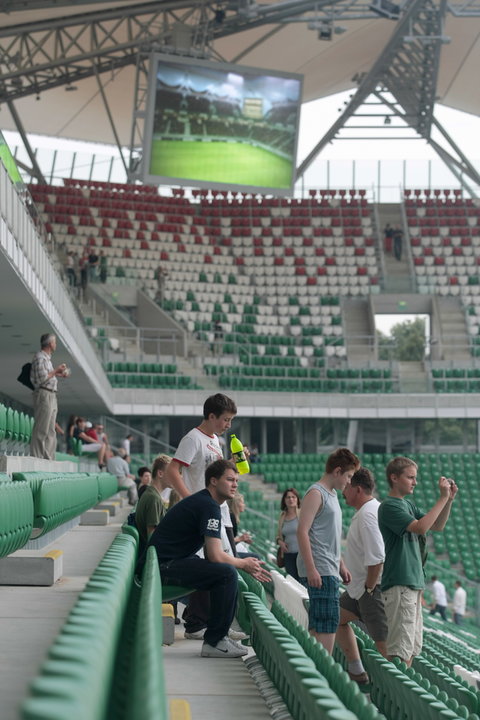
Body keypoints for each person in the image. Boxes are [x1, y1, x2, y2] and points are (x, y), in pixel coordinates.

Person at [146, 459, 270, 658]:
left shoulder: (206, 503)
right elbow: (215, 555)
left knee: (219, 570)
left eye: (236, 480)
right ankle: (215, 641)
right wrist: (243, 564)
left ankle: (217, 634)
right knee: (226, 573)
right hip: (161, 568)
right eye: (229, 479)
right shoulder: (208, 505)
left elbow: (214, 554)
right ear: (213, 481)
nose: (235, 484)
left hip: (163, 564)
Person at [165, 393, 238, 638]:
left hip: (220, 510)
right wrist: (190, 501)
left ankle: (218, 625)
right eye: (225, 420)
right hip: (204, 512)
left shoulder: (215, 440)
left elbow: (210, 471)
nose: (228, 425)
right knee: (213, 564)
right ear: (211, 416)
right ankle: (196, 623)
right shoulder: (192, 438)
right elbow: (173, 470)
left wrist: (231, 463)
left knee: (224, 565)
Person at [378, 456, 457, 666]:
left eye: (415, 477)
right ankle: (394, 695)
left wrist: (448, 500)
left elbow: (437, 526)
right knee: (400, 652)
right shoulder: (389, 506)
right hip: (400, 582)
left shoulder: (407, 505)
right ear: (394, 478)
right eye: (410, 477)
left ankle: (398, 693)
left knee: (410, 648)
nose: (415, 482)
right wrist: (441, 498)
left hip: (411, 582)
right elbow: (421, 528)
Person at [296, 448, 361, 654]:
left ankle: (316, 668)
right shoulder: (316, 493)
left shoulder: (331, 495)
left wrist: (341, 564)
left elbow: (328, 536)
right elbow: (302, 532)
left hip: (330, 567)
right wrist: (312, 569)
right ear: (337, 471)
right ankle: (322, 671)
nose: (349, 482)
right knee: (327, 622)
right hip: (321, 569)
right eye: (348, 476)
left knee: (321, 621)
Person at [336, 467, 388, 685]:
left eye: (346, 487)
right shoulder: (367, 511)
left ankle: (389, 694)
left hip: (370, 590)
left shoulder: (368, 515)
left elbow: (377, 557)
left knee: (384, 646)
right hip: (358, 589)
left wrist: (369, 587)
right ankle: (357, 671)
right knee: (334, 619)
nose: (343, 491)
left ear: (357, 489)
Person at [30, 333, 69, 460]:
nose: (56, 344)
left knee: (51, 429)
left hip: (51, 394)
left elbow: (48, 375)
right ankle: (37, 457)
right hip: (44, 394)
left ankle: (49, 458)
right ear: (50, 344)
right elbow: (42, 378)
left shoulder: (47, 358)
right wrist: (56, 371)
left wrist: (58, 374)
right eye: (55, 342)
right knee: (42, 427)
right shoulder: (40, 358)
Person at [135, 455, 171, 548]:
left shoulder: (152, 494)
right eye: (171, 472)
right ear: (160, 473)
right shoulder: (153, 498)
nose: (177, 476)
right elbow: (152, 540)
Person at [276, 488, 301, 582]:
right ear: (284, 500)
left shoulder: (302, 514)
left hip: (302, 555)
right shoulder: (282, 516)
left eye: (293, 497)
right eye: (288, 497)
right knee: (293, 582)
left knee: (303, 582)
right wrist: (280, 542)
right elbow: (278, 535)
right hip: (288, 555)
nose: (291, 499)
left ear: (297, 499)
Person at [228, 492, 259, 559]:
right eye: (242, 502)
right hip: (227, 555)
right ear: (236, 504)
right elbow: (226, 542)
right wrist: (240, 539)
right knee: (256, 557)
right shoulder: (231, 517)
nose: (244, 505)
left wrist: (241, 539)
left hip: (229, 552)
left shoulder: (232, 517)